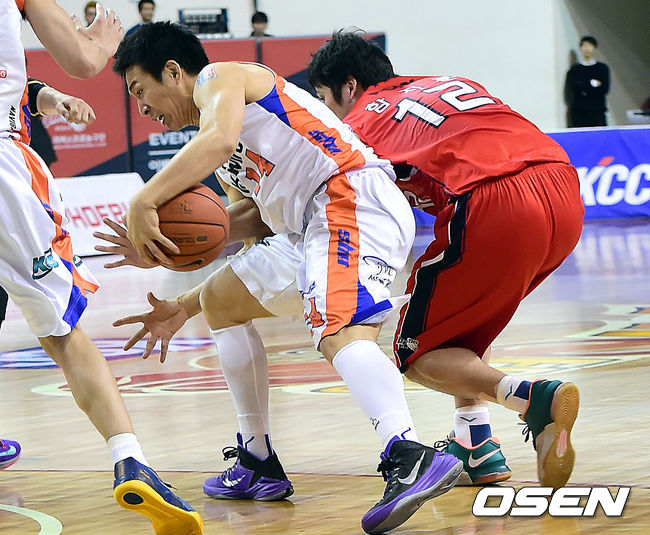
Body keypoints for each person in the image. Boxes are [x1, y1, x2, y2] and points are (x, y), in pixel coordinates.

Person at [112, 21, 463, 535]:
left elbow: (217, 140)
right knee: (222, 299)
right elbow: (246, 222)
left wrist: (144, 201)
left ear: (172, 71)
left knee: (338, 329)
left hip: (346, 196)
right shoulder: (222, 153)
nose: (141, 108)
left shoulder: (220, 78)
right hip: (307, 224)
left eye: (140, 90)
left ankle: (408, 451)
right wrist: (165, 247)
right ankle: (257, 459)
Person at [306, 30, 583, 491]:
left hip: (495, 198)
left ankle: (532, 399)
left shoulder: (356, 126)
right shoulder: (448, 83)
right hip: (563, 187)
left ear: (348, 87)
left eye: (323, 98)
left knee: (415, 353)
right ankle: (475, 442)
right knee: (463, 325)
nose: (325, 111)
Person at [0, 2, 202, 533]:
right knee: (62, 333)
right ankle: (130, 459)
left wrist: (50, 98)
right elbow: (84, 62)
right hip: (4, 167)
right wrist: (101, 40)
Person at [566, 35, 610, 127]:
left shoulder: (602, 68)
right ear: (581, 48)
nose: (587, 49)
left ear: (594, 48)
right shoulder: (575, 69)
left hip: (597, 111)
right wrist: (592, 83)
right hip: (579, 112)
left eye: (589, 46)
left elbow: (604, 89)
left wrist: (583, 85)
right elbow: (574, 88)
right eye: (584, 45)